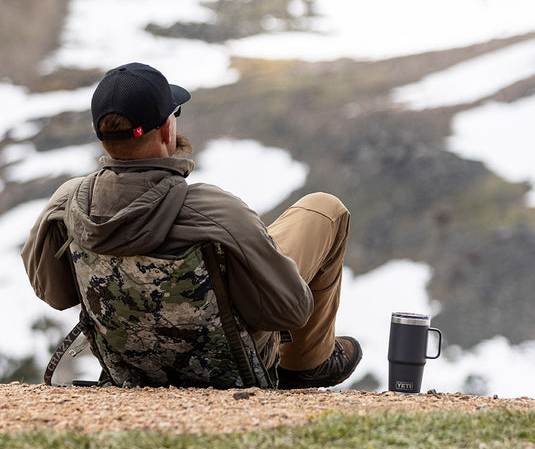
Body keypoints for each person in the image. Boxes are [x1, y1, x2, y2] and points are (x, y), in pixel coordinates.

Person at [21, 62, 362, 388]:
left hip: (132, 368)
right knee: (324, 209)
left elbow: (55, 293)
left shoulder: (67, 204)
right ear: (168, 128)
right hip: (235, 368)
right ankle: (306, 364)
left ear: (101, 134)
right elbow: (291, 310)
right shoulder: (216, 211)